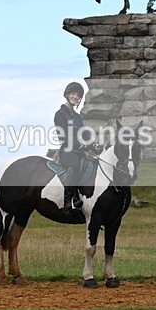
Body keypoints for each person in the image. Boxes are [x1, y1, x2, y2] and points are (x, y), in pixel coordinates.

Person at [54, 82, 91, 214]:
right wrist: (79, 144)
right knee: (75, 166)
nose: (75, 97)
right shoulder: (60, 114)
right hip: (67, 151)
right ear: (67, 94)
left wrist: (93, 142)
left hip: (80, 152)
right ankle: (68, 201)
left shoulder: (77, 116)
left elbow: (85, 133)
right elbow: (63, 137)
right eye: (73, 94)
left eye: (78, 95)